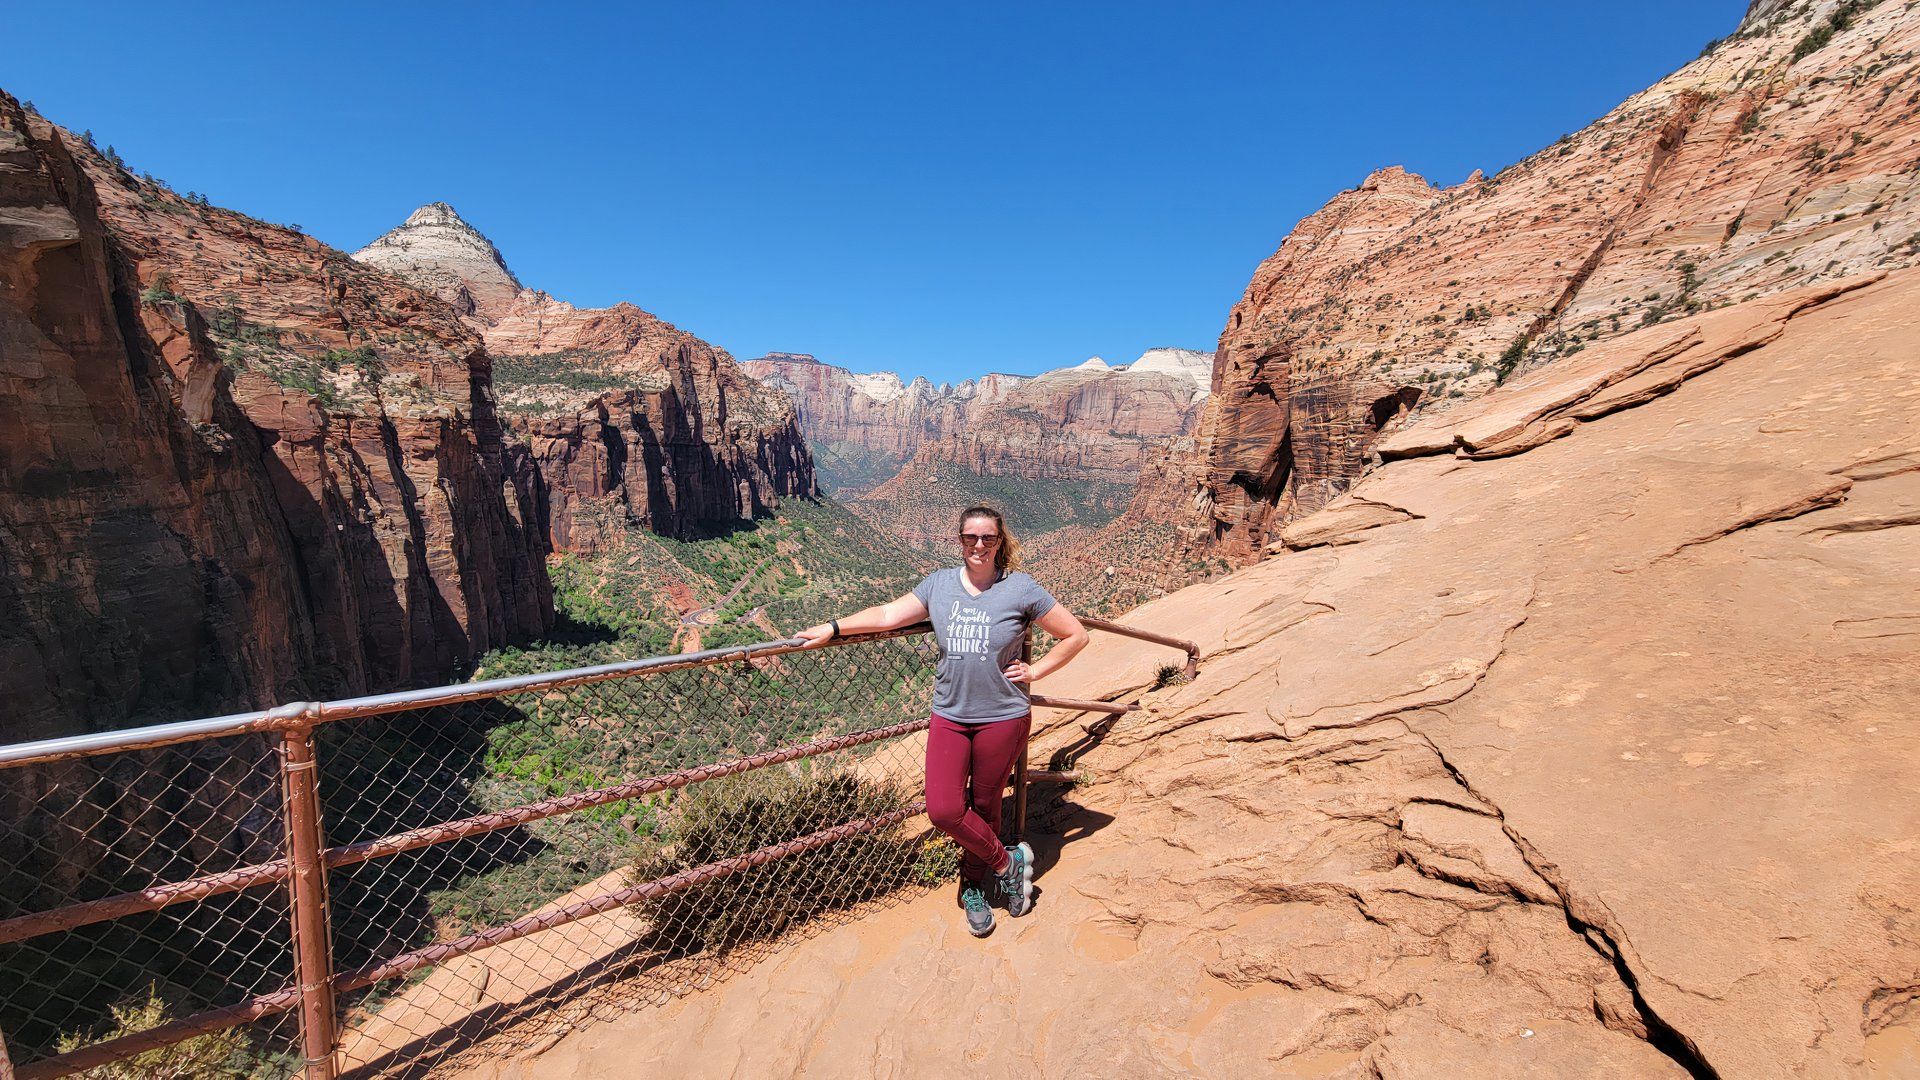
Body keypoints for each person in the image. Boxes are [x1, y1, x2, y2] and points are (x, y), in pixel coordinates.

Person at [798, 504, 1089, 936]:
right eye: (970, 537)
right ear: (959, 540)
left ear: (999, 541)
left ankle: (974, 885)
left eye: (987, 538)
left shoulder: (1021, 588)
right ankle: (1009, 864)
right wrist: (835, 628)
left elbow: (1076, 634)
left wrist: (1036, 671)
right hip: (950, 716)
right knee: (944, 809)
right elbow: (885, 615)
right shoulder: (939, 585)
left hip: (1003, 716)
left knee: (987, 806)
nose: (978, 545)